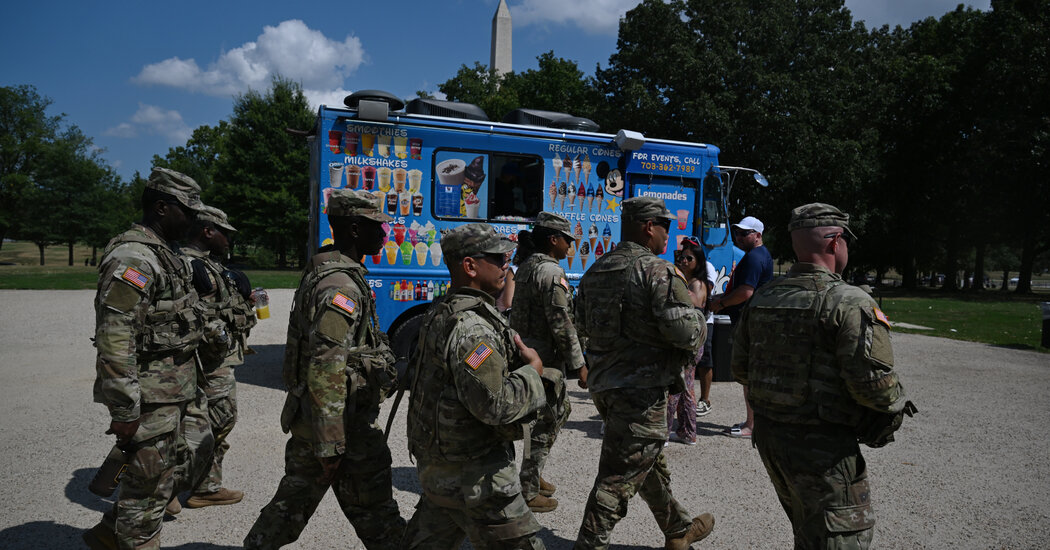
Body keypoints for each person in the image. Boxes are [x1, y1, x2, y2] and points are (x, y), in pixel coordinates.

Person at [732, 203, 916, 549]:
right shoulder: (848, 302)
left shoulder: (764, 298)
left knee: (809, 531)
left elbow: (741, 369)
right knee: (843, 539)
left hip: (773, 440)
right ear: (835, 243)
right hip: (824, 450)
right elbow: (875, 387)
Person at [244, 190, 405, 550]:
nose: (385, 233)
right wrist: (331, 442)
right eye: (376, 226)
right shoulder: (340, 286)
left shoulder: (332, 269)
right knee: (304, 509)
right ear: (352, 229)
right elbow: (326, 364)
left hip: (329, 420)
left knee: (352, 508)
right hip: (340, 425)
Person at [83, 167, 214, 550]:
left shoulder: (166, 253)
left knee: (170, 468)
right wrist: (125, 409)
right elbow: (115, 336)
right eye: (188, 212)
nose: (194, 221)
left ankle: (111, 531)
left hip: (175, 389)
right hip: (151, 397)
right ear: (161, 207)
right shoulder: (135, 258)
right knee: (148, 483)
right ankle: (133, 539)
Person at [573, 196, 714, 550]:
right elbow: (684, 333)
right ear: (648, 226)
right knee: (617, 479)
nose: (669, 234)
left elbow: (580, 323)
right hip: (643, 391)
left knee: (646, 461)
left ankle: (678, 531)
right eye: (665, 226)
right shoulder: (657, 271)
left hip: (606, 386)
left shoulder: (597, 270)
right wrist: (699, 316)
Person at [402, 223, 548, 550]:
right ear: (470, 266)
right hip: (477, 481)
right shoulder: (472, 329)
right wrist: (533, 372)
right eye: (496, 258)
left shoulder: (442, 311)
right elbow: (496, 405)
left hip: (444, 471)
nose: (505, 263)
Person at [508, 212, 586, 512]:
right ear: (553, 239)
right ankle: (528, 488)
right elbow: (561, 323)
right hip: (545, 362)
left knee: (550, 416)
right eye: (568, 240)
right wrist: (580, 364)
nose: (571, 246)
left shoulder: (527, 266)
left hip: (528, 356)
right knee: (545, 423)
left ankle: (533, 473)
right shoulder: (551, 273)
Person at [180, 205, 256, 509]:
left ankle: (206, 486)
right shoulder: (187, 265)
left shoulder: (208, 264)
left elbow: (217, 302)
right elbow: (187, 311)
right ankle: (173, 485)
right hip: (206, 360)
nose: (228, 240)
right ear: (207, 231)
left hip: (218, 357)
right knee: (215, 420)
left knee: (216, 421)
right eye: (225, 233)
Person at [709, 215, 773, 438]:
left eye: (744, 233)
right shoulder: (756, 255)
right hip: (751, 321)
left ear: (757, 235)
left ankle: (751, 426)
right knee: (750, 375)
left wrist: (720, 303)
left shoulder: (755, 257)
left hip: (750, 323)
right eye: (737, 232)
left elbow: (746, 292)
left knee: (749, 375)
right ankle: (752, 422)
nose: (738, 236)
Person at [667, 238, 713, 445]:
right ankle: (687, 432)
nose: (683, 261)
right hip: (688, 342)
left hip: (690, 343)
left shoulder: (697, 283)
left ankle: (665, 430)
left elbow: (694, 300)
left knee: (674, 388)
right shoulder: (686, 281)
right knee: (686, 389)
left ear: (698, 262)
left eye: (688, 258)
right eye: (680, 257)